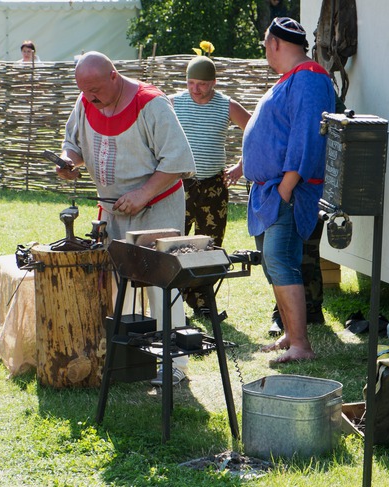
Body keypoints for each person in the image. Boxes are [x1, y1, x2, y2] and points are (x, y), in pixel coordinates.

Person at [56, 51, 196, 385]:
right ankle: (131, 360)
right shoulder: (86, 100)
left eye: (95, 90)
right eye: (84, 90)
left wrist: (143, 194)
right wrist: (68, 162)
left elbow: (177, 161)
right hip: (114, 210)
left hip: (157, 206)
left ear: (114, 76)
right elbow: (72, 144)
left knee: (162, 283)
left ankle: (174, 363)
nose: (90, 98)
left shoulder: (152, 105)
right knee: (122, 285)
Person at [242, 17, 335, 364]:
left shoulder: (309, 77)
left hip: (286, 190)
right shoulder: (291, 79)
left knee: (282, 261)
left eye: (266, 44)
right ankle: (290, 335)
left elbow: (306, 135)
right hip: (271, 191)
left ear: (275, 43)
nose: (265, 50)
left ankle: (301, 345)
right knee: (274, 264)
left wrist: (285, 187)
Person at [169, 55, 250, 316]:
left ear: (213, 82)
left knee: (210, 246)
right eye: (191, 83)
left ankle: (203, 303)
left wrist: (241, 165)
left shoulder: (227, 106)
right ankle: (173, 303)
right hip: (179, 185)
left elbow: (255, 132)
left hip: (213, 187)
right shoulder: (173, 103)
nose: (195, 89)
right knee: (173, 244)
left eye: (202, 84)